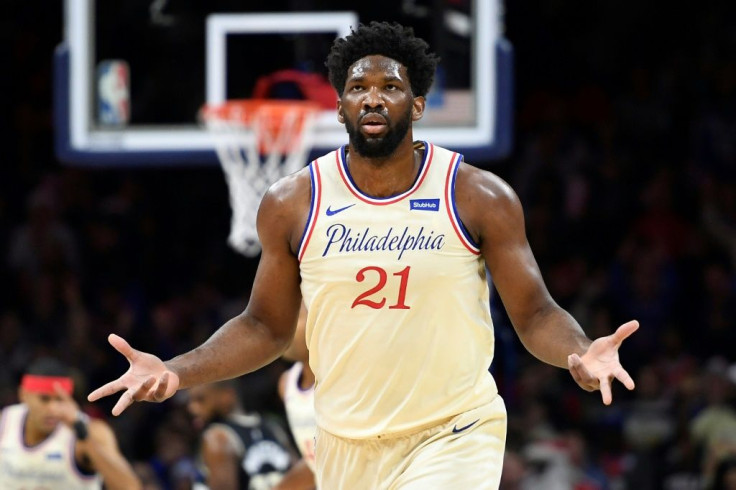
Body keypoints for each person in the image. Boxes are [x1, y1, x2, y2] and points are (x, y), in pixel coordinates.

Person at [89, 21, 639, 489]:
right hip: (343, 445)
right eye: (358, 87)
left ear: (417, 103)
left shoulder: (477, 195)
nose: (372, 97)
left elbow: (537, 313)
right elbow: (264, 327)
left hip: (452, 432)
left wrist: (583, 352)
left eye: (391, 87)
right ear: (340, 104)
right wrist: (176, 372)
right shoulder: (292, 201)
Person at [0, 357, 141, 490]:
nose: (53, 409)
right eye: (44, 399)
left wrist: (82, 433)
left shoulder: (91, 430)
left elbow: (130, 487)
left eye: (60, 400)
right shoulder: (5, 421)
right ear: (23, 394)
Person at [187, 379, 296, 489]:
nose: (192, 408)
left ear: (227, 395)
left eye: (200, 400)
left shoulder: (217, 437)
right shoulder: (272, 427)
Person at [274, 303, 317, 490]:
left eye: (294, 318)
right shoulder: (286, 384)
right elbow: (314, 463)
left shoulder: (342, 378)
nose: (283, 329)